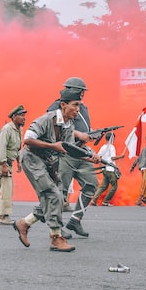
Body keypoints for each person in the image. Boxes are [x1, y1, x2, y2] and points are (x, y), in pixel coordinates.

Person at [13, 88, 90, 252]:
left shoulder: (68, 124)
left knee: (58, 197)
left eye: (80, 105)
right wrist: (52, 146)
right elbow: (27, 139)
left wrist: (91, 157)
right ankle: (56, 238)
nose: (78, 109)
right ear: (63, 105)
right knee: (52, 194)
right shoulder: (46, 120)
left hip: (48, 161)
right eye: (75, 105)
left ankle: (24, 223)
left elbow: (68, 149)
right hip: (32, 159)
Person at [46, 77, 98, 238]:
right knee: (59, 192)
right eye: (80, 91)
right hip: (65, 153)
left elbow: (84, 128)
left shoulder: (83, 108)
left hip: (82, 152)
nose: (82, 94)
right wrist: (79, 135)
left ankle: (75, 220)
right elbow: (56, 125)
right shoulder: (57, 105)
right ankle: (57, 228)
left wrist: (92, 134)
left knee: (91, 184)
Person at [0, 105, 26, 225]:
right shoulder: (7, 129)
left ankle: (0, 215)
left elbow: (17, 147)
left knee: (5, 187)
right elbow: (2, 147)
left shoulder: (19, 129)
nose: (24, 118)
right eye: (21, 115)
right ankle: (4, 216)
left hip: (8, 160)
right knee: (7, 188)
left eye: (24, 115)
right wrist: (4, 165)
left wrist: (19, 162)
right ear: (14, 117)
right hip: (0, 159)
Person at [91, 133, 124, 206]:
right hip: (111, 169)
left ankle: (94, 200)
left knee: (103, 186)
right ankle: (105, 201)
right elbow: (112, 158)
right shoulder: (111, 147)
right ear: (112, 139)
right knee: (114, 186)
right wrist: (120, 156)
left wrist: (101, 165)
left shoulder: (103, 147)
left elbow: (98, 156)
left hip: (105, 169)